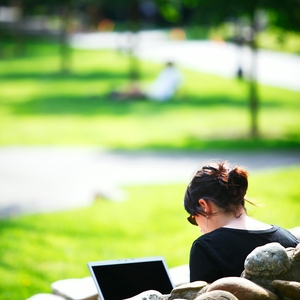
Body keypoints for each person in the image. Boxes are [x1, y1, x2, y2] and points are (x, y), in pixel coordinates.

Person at [183, 161, 299, 283]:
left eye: (193, 218)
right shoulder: (288, 238)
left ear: (203, 205)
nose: (200, 229)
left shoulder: (206, 248)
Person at [109, 61, 182, 101]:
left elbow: (176, 89)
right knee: (136, 89)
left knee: (135, 87)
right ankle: (120, 95)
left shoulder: (174, 74)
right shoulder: (170, 72)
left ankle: (119, 95)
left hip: (158, 94)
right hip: (155, 91)